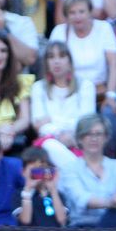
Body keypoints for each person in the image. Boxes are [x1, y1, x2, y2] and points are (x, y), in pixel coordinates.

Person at [48, 0, 116, 134]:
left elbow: (114, 64)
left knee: (110, 113)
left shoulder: (104, 28)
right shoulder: (59, 31)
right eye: (72, 12)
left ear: (90, 12)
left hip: (101, 93)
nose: (77, 16)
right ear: (66, 16)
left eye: (81, 11)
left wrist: (111, 95)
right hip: (70, 94)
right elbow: (50, 64)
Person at [30, 40, 96, 170]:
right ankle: (81, 172)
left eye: (61, 56)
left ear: (70, 61)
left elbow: (86, 123)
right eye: (51, 57)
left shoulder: (85, 86)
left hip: (77, 142)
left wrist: (51, 121)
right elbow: (39, 125)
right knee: (49, 144)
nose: (56, 61)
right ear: (46, 63)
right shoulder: (38, 87)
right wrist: (62, 134)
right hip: (49, 144)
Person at [16, 146, 69, 231]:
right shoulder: (19, 195)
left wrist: (52, 189)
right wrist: (28, 189)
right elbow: (25, 219)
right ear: (23, 172)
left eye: (42, 169)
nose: (38, 174)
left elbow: (62, 219)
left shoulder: (58, 195)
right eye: (33, 170)